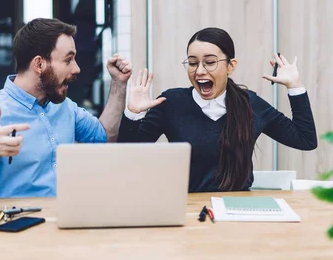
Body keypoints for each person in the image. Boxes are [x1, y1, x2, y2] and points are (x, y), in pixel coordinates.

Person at [0, 18, 132, 202]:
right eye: (68, 60)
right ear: (39, 64)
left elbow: (105, 137)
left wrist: (119, 84)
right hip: (22, 230)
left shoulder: (65, 107)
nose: (76, 69)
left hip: (71, 219)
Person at [119, 27, 317, 192]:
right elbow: (127, 157)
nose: (200, 71)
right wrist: (133, 113)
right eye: (193, 63)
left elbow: (305, 139)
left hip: (238, 210)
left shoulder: (250, 104)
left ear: (231, 66)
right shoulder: (171, 102)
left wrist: (295, 86)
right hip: (189, 210)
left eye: (210, 62)